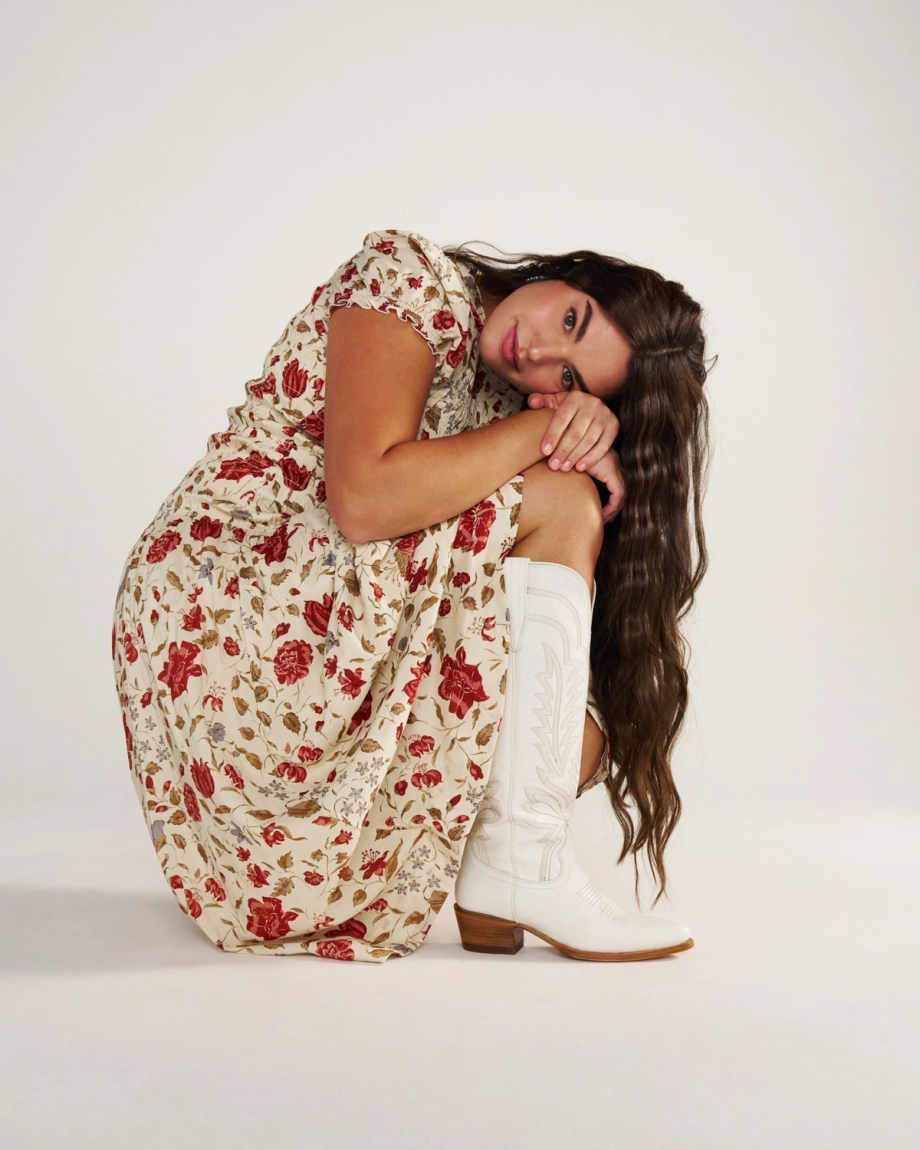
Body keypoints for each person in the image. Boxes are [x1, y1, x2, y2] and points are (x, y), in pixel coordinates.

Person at [113, 229, 711, 963]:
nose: (541, 354)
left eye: (575, 382)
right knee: (563, 504)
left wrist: (570, 430)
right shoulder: (409, 279)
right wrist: (549, 428)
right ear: (568, 273)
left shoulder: (518, 397)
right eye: (571, 321)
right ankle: (524, 870)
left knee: (571, 746)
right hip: (228, 593)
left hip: (332, 613)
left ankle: (514, 871)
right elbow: (362, 501)